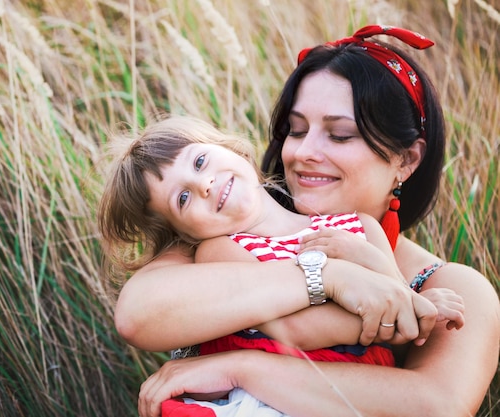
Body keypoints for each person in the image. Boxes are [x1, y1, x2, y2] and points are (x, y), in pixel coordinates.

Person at [113, 25, 500, 417]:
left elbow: (438, 407)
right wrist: (329, 278)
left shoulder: (448, 282)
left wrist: (240, 369)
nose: (303, 152)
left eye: (340, 134)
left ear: (407, 160)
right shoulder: (217, 235)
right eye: (295, 130)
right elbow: (137, 314)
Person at [98, 115, 465, 416]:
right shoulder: (222, 250)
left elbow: (393, 288)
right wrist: (413, 312)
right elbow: (295, 330)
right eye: (182, 198)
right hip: (276, 401)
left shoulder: (360, 227)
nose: (204, 185)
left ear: (229, 148)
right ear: (182, 232)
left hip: (359, 392)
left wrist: (398, 292)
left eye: (199, 161)